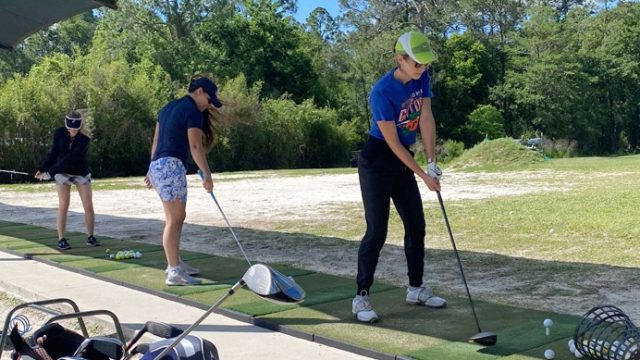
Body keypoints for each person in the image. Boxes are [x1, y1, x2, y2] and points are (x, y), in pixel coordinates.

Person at [352, 31, 446, 323]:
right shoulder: (381, 92)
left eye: (425, 64)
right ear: (400, 59)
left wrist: (431, 161)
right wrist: (423, 176)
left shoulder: (422, 79)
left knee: (416, 226)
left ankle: (415, 288)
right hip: (376, 161)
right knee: (377, 230)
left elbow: (426, 118)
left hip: (402, 158)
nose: (422, 69)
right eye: (417, 64)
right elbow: (392, 143)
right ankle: (361, 296)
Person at [144, 75, 222, 286]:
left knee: (176, 216)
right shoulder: (192, 111)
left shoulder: (168, 107)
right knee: (174, 219)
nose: (208, 105)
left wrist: (151, 168)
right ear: (199, 92)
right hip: (171, 165)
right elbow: (195, 146)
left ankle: (176, 262)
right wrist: (207, 175)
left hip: (160, 165)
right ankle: (173, 271)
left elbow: (156, 140)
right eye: (209, 99)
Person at [35, 110, 101, 250]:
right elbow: (54, 153)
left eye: (75, 127)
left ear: (80, 126)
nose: (72, 130)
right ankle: (61, 239)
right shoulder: (59, 133)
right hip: (61, 171)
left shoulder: (84, 139)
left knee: (88, 204)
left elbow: (70, 158)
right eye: (70, 127)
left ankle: (90, 237)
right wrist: (42, 169)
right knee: (64, 204)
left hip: (80, 171)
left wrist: (50, 173)